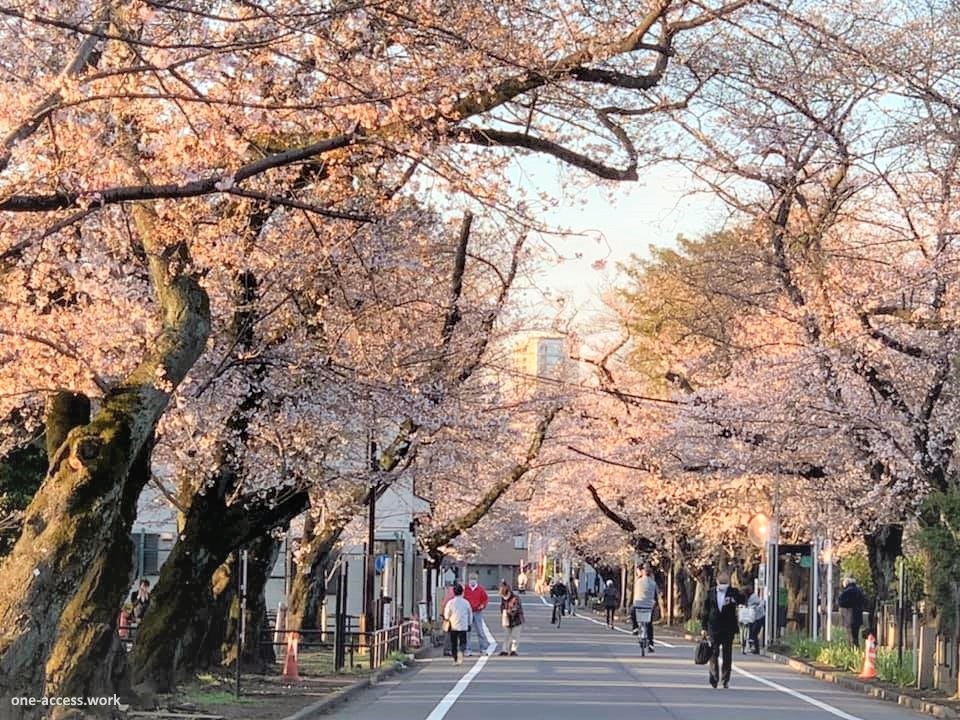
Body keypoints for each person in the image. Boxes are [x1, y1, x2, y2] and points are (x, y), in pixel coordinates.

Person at [700, 570, 745, 689]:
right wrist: (703, 627)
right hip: (713, 626)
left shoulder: (733, 592)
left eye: (725, 582)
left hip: (728, 627)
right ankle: (714, 677)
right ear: (717, 581)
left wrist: (734, 599)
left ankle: (725, 679)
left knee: (727, 654)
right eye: (722, 581)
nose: (723, 584)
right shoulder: (710, 593)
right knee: (713, 653)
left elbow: (742, 600)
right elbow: (705, 611)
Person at [630, 564, 659, 651]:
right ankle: (651, 644)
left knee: (632, 612)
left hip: (638, 605)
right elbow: (656, 595)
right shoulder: (653, 583)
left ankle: (635, 627)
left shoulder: (638, 582)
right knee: (649, 624)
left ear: (643, 572)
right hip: (649, 606)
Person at [443, 583, 472, 665]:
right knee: (463, 642)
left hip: (453, 625)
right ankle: (461, 652)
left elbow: (446, 614)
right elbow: (470, 614)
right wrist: (469, 623)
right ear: (462, 592)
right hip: (463, 625)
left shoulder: (450, 603)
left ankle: (455, 659)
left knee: (453, 643)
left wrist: (447, 618)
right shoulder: (466, 602)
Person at [463, 573, 490, 656]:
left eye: (473, 579)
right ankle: (467, 649)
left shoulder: (480, 589)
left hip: (477, 612)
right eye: (471, 579)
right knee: (467, 631)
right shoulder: (465, 589)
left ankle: (483, 648)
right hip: (467, 612)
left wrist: (482, 605)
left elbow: (485, 599)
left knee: (480, 630)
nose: (472, 581)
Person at [838, 576, 866, 647]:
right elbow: (864, 601)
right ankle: (856, 649)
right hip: (858, 617)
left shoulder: (847, 591)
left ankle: (852, 650)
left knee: (850, 636)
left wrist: (848, 605)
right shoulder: (859, 591)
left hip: (850, 616)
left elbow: (840, 602)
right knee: (856, 635)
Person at [498, 581, 524, 656]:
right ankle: (505, 650)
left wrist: (509, 612)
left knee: (515, 636)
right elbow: (502, 607)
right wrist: (504, 613)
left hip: (516, 619)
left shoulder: (515, 598)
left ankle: (513, 650)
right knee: (506, 635)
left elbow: (517, 609)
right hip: (507, 619)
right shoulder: (503, 599)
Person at [746, 586, 765, 654]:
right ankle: (756, 648)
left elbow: (760, 603)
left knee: (754, 632)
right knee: (754, 633)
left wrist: (755, 607)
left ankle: (756, 648)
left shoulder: (753, 597)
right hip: (755, 617)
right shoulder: (750, 597)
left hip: (759, 617)